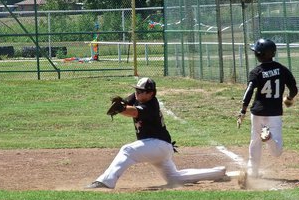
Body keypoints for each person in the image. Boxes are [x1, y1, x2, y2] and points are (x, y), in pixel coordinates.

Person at [86, 77, 227, 189]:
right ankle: (218, 172)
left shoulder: (151, 105)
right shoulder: (137, 97)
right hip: (155, 147)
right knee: (174, 178)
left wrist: (121, 110)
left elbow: (134, 112)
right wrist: (121, 103)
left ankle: (106, 182)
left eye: (141, 91)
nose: (137, 93)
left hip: (158, 145)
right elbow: (126, 102)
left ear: (151, 93)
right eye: (137, 90)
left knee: (127, 150)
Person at [237, 38, 298, 186]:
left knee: (255, 142)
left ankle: (253, 171)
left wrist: (243, 110)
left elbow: (249, 90)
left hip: (257, 113)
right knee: (276, 151)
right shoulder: (282, 69)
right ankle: (269, 137)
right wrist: (289, 99)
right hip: (274, 114)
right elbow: (294, 89)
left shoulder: (256, 72)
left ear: (259, 55)